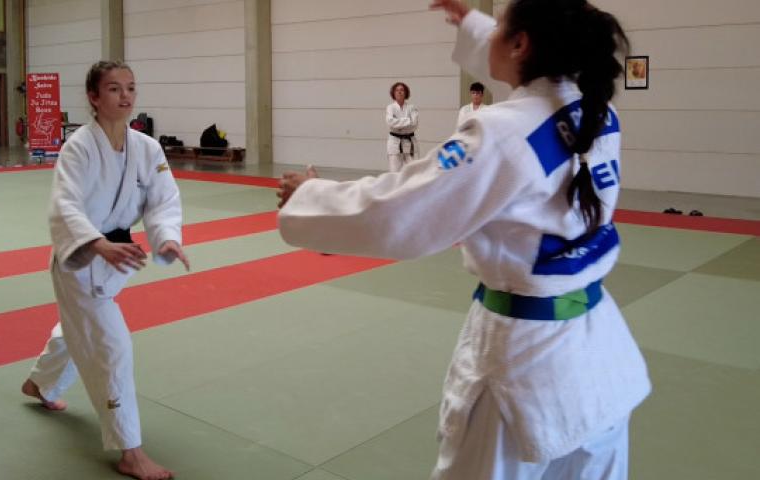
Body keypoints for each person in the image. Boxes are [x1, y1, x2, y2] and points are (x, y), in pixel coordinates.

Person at [276, 1, 651, 478]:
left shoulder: (501, 132)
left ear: (521, 44)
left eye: (499, 30)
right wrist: (473, 25)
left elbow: (401, 211)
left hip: (524, 366)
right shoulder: (596, 112)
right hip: (599, 353)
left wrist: (312, 197)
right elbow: (527, 77)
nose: (489, 37)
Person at [21, 60, 190, 480]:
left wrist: (167, 237)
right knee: (112, 347)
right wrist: (97, 244)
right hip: (81, 259)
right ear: (94, 97)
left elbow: (163, 200)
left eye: (130, 87)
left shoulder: (147, 148)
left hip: (118, 257)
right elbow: (65, 205)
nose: (126, 95)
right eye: (114, 88)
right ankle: (130, 451)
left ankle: (40, 383)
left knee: (77, 326)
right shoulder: (78, 147)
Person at [385, 82, 419, 172]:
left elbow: (414, 124)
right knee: (394, 172)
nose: (399, 92)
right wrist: (408, 120)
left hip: (410, 142)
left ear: (406, 93)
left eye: (402, 90)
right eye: (397, 90)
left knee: (414, 171)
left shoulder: (412, 108)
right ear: (393, 93)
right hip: (394, 142)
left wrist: (398, 123)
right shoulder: (390, 107)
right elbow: (390, 123)